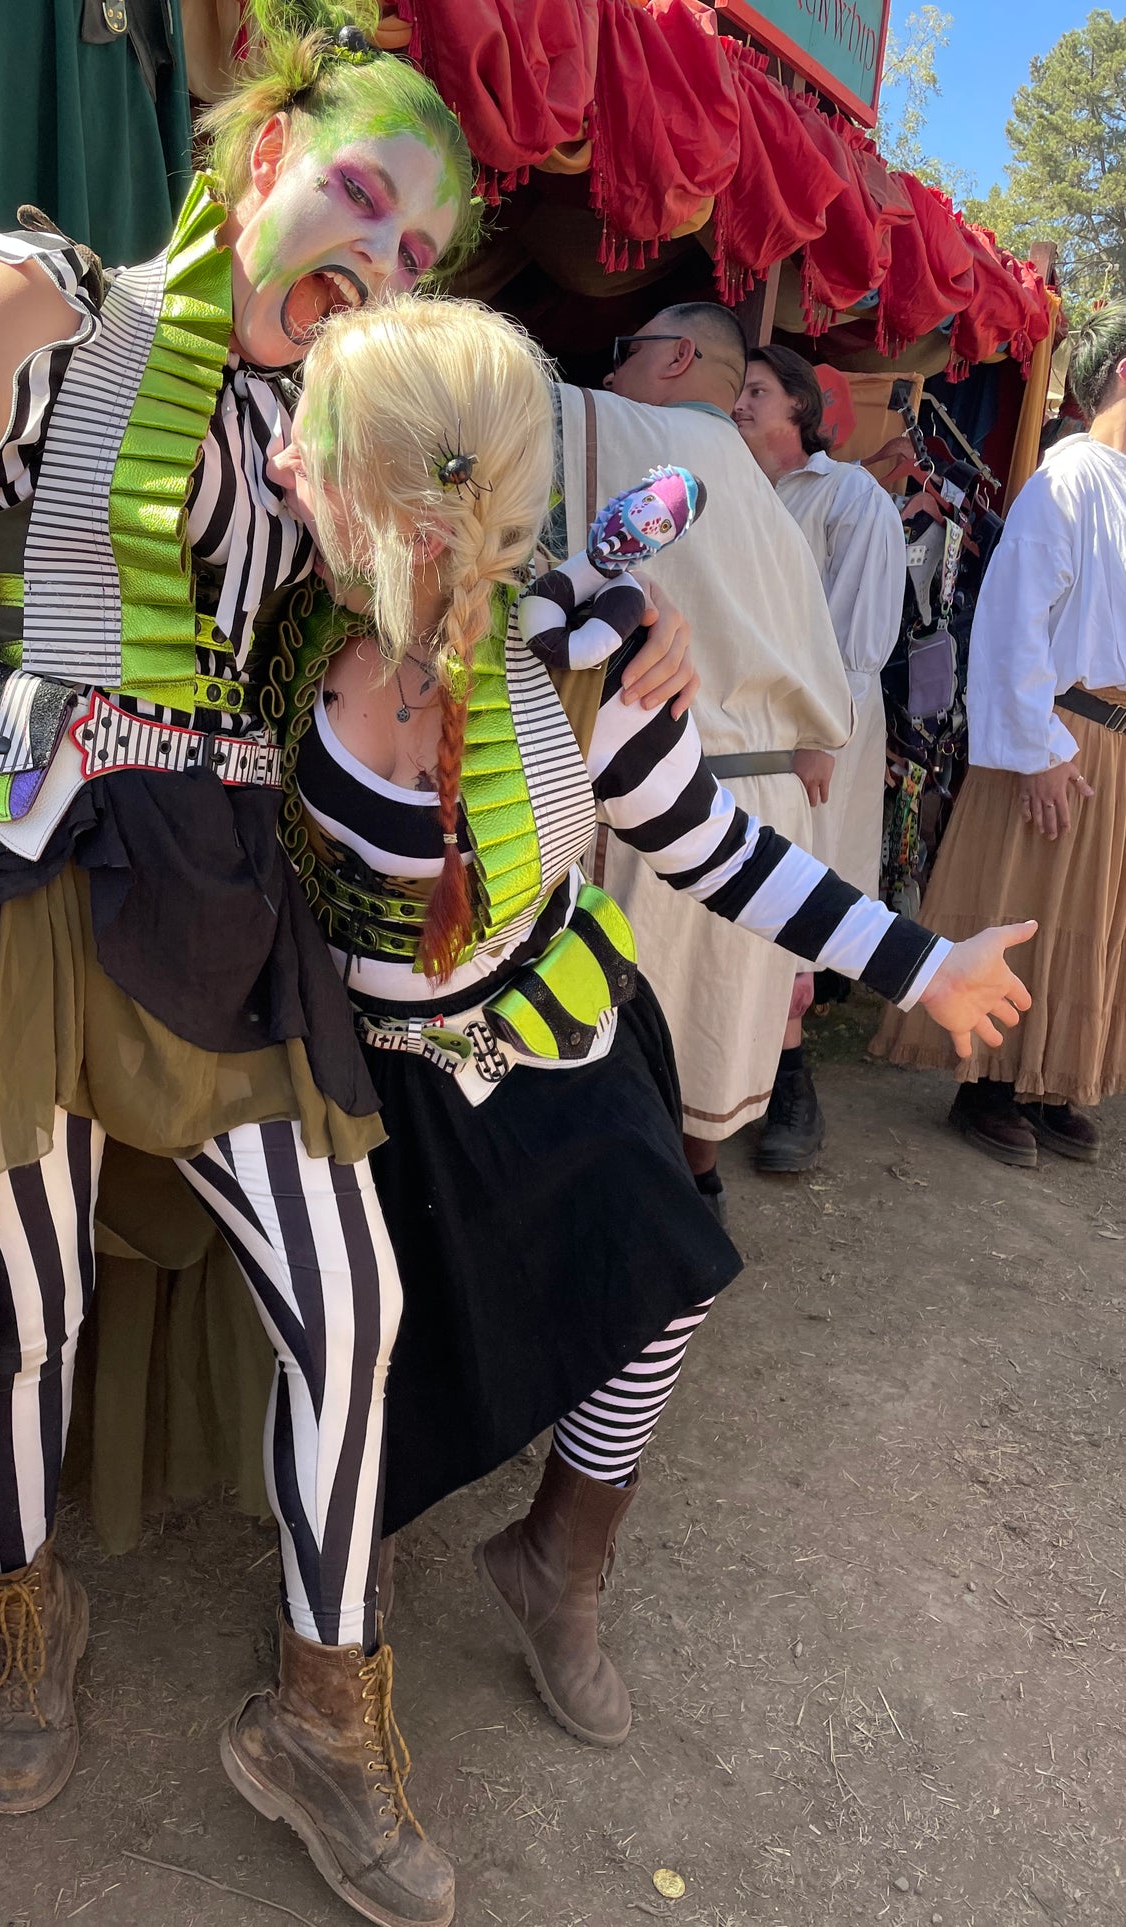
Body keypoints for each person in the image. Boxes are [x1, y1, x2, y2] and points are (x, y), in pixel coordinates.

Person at [0, 12, 477, 1921]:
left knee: (353, 1288)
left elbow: (382, 717)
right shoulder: (44, 311)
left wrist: (419, 591)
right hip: (30, 864)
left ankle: (323, 1708)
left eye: (418, 257)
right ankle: (28, 1600)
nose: (384, 268)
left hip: (226, 879)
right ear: (253, 159)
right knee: (34, 1293)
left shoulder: (329, 432)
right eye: (366, 201)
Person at [259, 297, 1032, 1749]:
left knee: (665, 1280)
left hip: (557, 1036)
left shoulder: (582, 658)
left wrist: (917, 962)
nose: (283, 460)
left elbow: (722, 850)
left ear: (411, 486)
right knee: (378, 1354)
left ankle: (558, 1559)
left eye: (317, 439)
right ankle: (325, 1611)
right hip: (366, 1074)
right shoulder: (287, 622)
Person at [554, 303, 855, 1222]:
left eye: (627, 353)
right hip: (766, 794)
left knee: (622, 1043)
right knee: (710, 1041)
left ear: (678, 356)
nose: (608, 374)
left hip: (678, 795)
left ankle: (633, 1238)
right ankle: (695, 1191)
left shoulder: (629, 429)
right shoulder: (771, 492)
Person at [873, 304, 1126, 1166]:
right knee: (1021, 903)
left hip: (1113, 743)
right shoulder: (1070, 478)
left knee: (1083, 922)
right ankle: (982, 1083)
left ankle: (1047, 1078)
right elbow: (1013, 619)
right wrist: (1037, 747)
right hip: (1060, 731)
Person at [733, 345, 906, 1171]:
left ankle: (788, 1081)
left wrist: (815, 741)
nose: (739, 404)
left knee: (790, 903)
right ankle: (706, 1077)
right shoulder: (724, 486)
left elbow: (855, 645)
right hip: (734, 734)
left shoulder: (849, 496)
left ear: (800, 408)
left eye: (757, 391)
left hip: (810, 740)